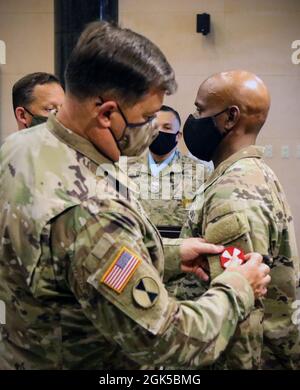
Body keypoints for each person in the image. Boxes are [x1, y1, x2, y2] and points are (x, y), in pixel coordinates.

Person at [0, 22, 270, 370]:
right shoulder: (92, 210)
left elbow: (69, 261)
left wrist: (167, 254)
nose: (152, 130)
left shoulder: (19, 148)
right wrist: (239, 287)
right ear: (107, 113)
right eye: (145, 118)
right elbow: (166, 342)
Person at [178, 70, 299, 369]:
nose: (193, 119)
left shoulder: (233, 192)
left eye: (199, 110)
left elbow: (243, 311)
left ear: (230, 118)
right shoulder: (252, 174)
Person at [128, 105, 208, 238]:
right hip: (137, 251)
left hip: (184, 253)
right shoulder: (123, 170)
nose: (159, 132)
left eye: (167, 127)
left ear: (178, 136)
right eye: (154, 127)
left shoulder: (200, 173)